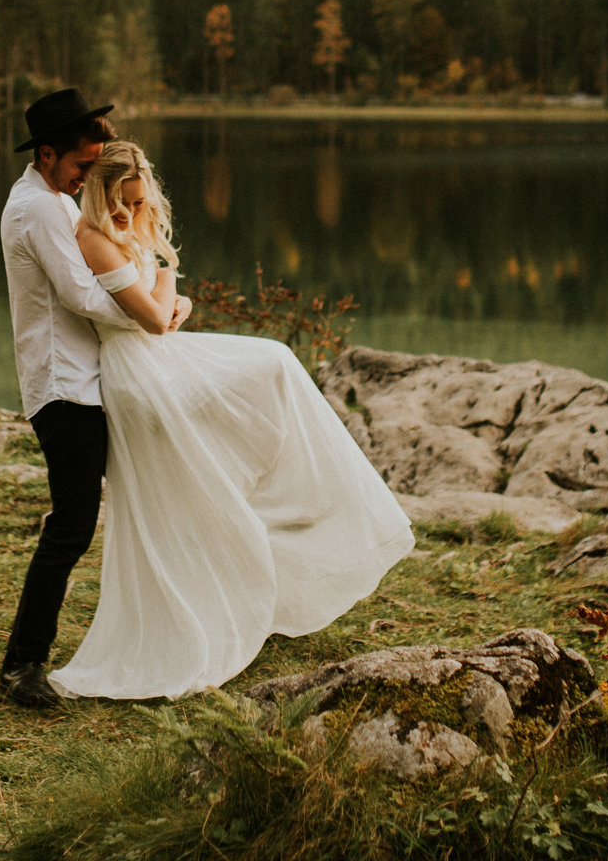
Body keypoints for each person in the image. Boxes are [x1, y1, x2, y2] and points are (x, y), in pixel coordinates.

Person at [48, 139, 414, 701]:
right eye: (124, 202)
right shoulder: (95, 238)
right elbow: (151, 318)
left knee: (274, 365)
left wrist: (172, 296)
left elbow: (167, 310)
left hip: (157, 358)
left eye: (141, 200)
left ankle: (296, 500)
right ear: (102, 196)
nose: (134, 212)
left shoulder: (122, 230)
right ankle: (259, 526)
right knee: (271, 363)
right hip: (139, 373)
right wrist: (167, 270)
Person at [0, 87, 185, 709]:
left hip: (83, 382)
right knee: (72, 525)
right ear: (47, 154)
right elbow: (82, 296)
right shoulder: (39, 210)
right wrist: (154, 313)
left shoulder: (48, 200)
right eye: (80, 165)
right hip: (63, 387)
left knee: (85, 519)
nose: (86, 179)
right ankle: (22, 665)